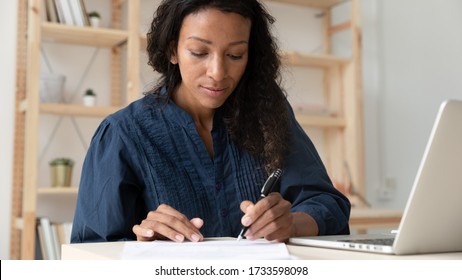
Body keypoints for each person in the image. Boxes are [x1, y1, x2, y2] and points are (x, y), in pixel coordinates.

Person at [71, 0, 351, 244]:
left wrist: (292, 223)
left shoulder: (268, 114)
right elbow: (91, 252)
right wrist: (142, 244)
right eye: (199, 52)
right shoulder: (123, 134)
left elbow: (327, 203)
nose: (218, 73)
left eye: (235, 55)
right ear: (172, 50)